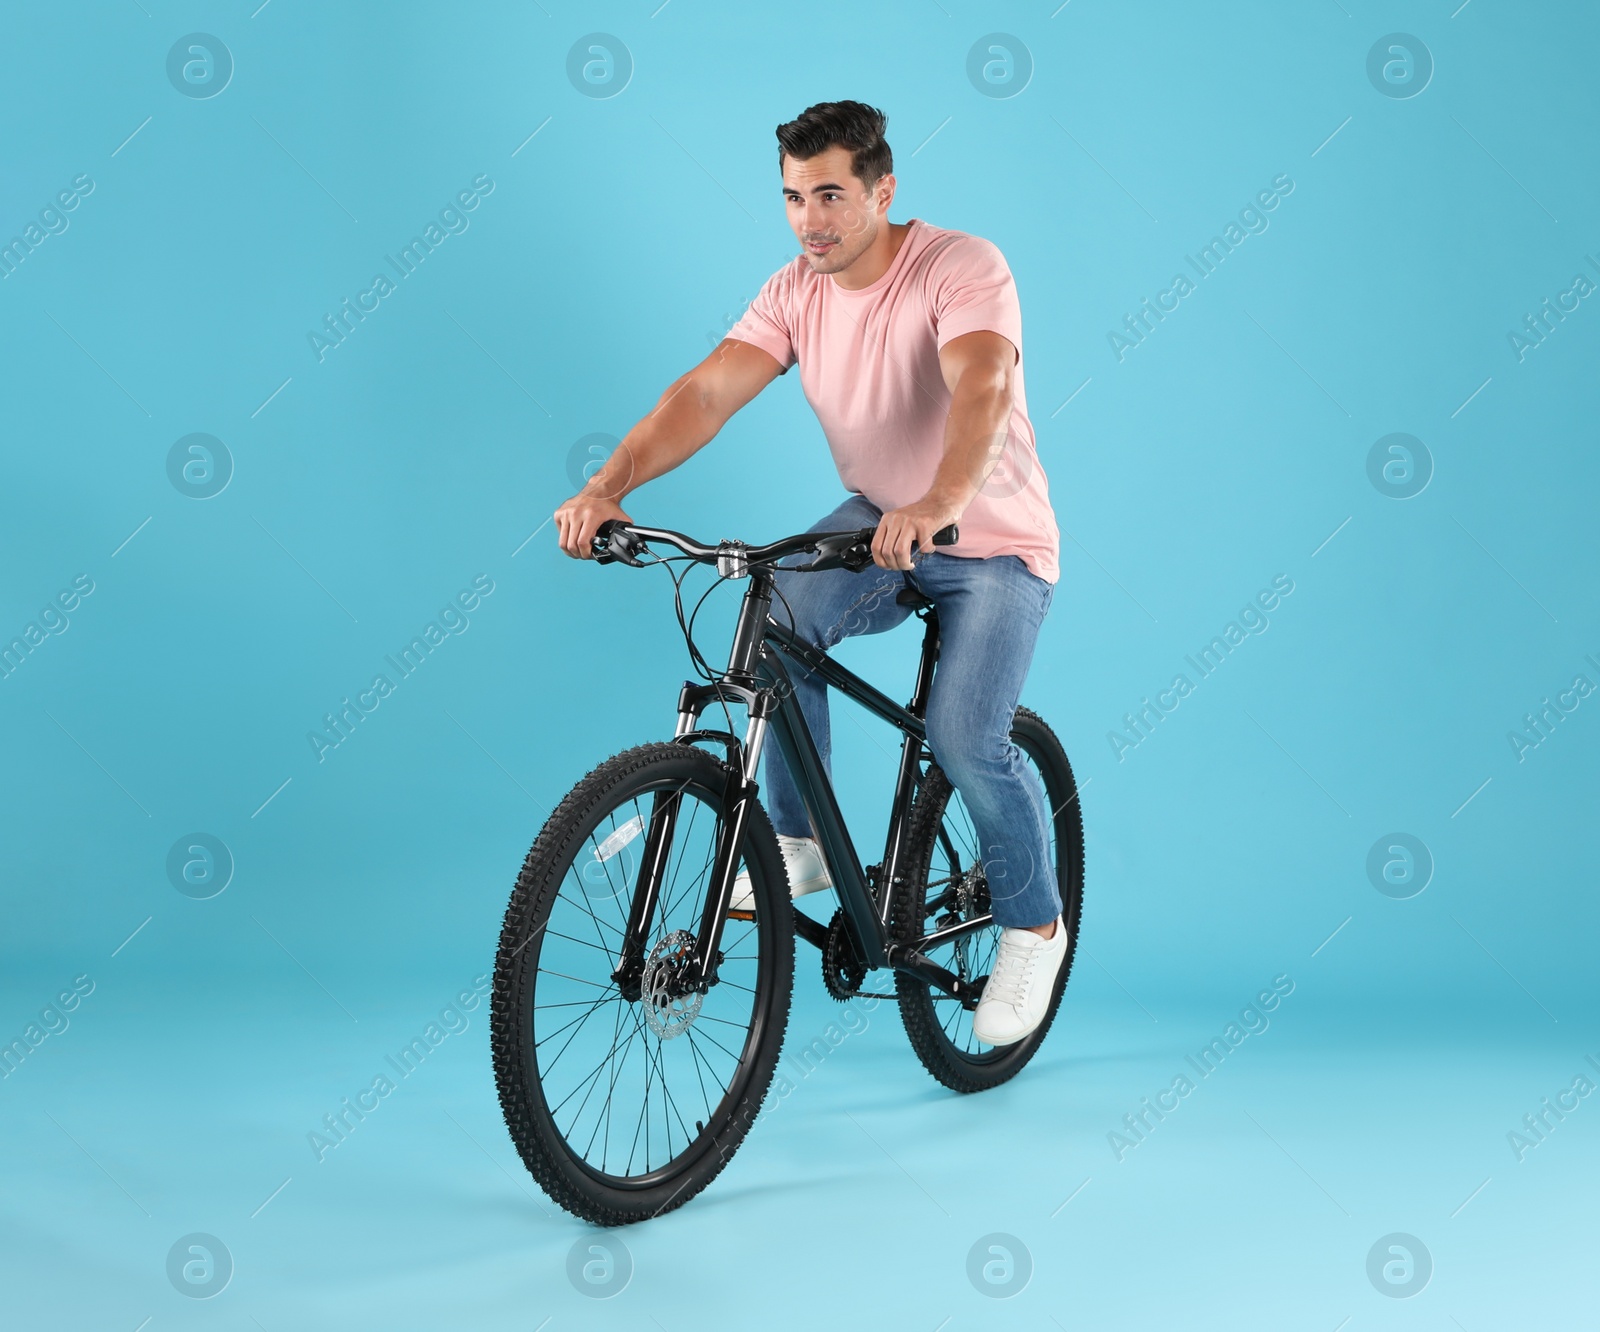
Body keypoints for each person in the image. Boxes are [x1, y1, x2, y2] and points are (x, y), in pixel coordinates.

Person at [554, 100, 1065, 1045]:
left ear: (883, 190)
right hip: (879, 526)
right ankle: (797, 844)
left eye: (829, 194)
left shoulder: (960, 266)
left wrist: (939, 503)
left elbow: (985, 387)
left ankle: (1034, 924)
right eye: (793, 197)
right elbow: (707, 391)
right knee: (774, 616)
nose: (809, 219)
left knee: (962, 733)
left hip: (990, 539)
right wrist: (609, 482)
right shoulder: (795, 290)